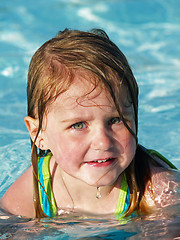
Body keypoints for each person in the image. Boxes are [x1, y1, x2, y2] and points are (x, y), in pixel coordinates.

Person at [1, 29, 179, 219]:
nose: (102, 142)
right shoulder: (35, 190)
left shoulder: (158, 191)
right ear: (39, 134)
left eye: (116, 119)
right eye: (78, 125)